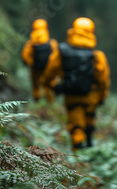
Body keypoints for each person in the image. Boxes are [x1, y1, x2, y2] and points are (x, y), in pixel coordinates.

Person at [42, 17, 110, 150]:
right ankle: (89, 143)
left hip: (71, 95)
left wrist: (50, 85)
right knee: (89, 117)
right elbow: (103, 79)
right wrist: (102, 96)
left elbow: (49, 72)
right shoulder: (97, 56)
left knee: (75, 122)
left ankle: (77, 152)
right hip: (92, 95)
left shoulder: (62, 52)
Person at [21, 18, 58, 103]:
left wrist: (32, 63)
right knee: (48, 85)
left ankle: (36, 101)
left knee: (35, 86)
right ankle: (50, 104)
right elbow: (56, 56)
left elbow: (25, 55)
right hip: (48, 68)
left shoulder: (31, 43)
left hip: (35, 68)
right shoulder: (51, 42)